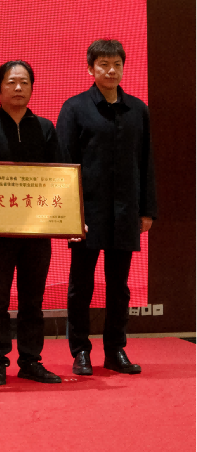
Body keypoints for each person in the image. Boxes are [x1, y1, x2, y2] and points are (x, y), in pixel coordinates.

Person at [57, 39, 157, 376]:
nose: (111, 70)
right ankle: (80, 351)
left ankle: (115, 350)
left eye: (117, 64)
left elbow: (146, 162)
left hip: (125, 212)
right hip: (86, 213)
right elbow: (64, 165)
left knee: (119, 287)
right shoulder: (74, 108)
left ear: (123, 68)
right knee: (81, 285)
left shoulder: (137, 110)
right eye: (103, 64)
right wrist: (68, 215)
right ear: (90, 68)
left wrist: (147, 210)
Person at [0, 60, 64, 385]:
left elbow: (59, 177)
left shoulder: (46, 128)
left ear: (32, 88)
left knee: (32, 299)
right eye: (11, 82)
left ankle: (30, 361)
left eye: (25, 82)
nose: (19, 88)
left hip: (37, 229)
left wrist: (68, 219)